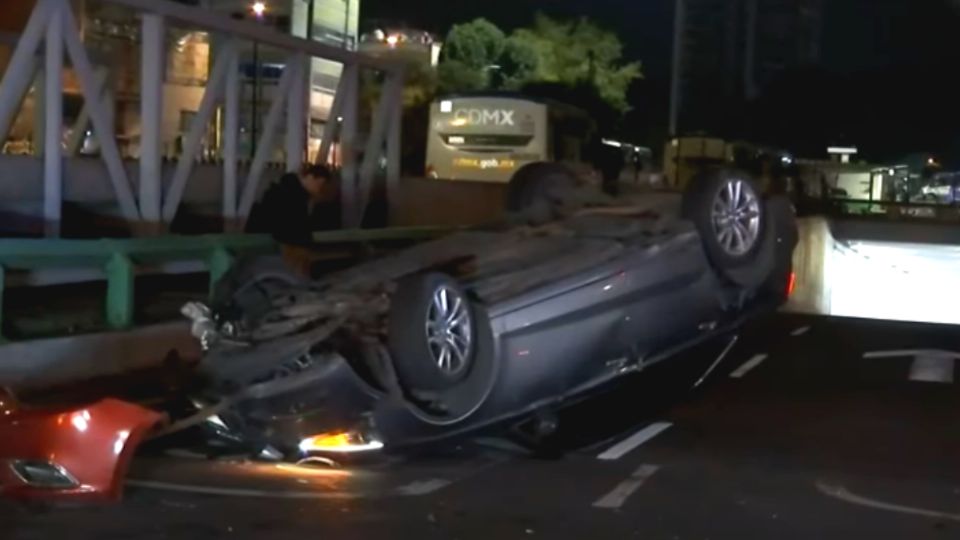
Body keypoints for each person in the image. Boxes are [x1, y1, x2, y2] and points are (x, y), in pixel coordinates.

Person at [245, 164, 342, 276]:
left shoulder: (285, 192)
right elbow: (291, 229)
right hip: (274, 252)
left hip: (265, 250)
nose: (319, 189)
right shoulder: (293, 198)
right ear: (310, 177)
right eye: (320, 184)